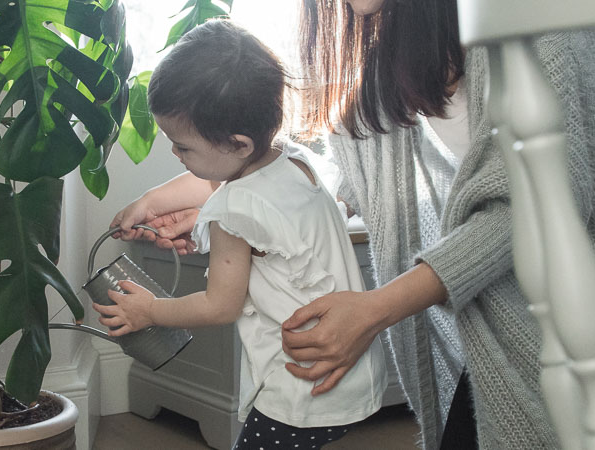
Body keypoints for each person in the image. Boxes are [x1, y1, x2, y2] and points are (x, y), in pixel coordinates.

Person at [112, 1, 595, 449]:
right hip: (490, 325)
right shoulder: (381, 36)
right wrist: (223, 203)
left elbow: (538, 204)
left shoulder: (537, 23)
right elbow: (337, 177)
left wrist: (375, 308)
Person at [97, 19, 388, 450]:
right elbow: (223, 180)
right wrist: (152, 201)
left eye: (183, 147)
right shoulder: (295, 160)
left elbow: (220, 305)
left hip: (299, 384)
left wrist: (150, 312)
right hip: (354, 368)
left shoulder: (233, 211)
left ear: (238, 144)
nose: (175, 155)